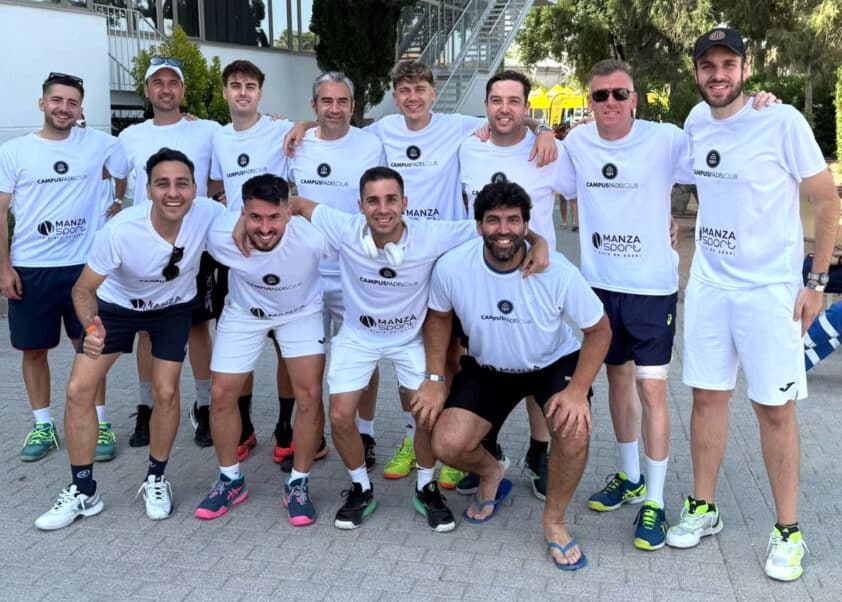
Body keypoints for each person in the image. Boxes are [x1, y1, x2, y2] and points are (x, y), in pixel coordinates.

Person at [283, 61, 558, 487]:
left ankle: (457, 442)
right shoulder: (382, 131)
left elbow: (506, 117)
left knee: (450, 358)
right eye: (405, 90)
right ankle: (414, 439)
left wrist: (543, 128)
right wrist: (302, 125)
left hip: (444, 253)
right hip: (399, 257)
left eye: (421, 89)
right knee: (408, 354)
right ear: (395, 97)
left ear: (433, 93)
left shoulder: (457, 126)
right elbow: (336, 128)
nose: (413, 98)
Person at [666, 27, 840, 583]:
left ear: (745, 68)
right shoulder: (696, 120)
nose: (717, 74)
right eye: (708, 65)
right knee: (707, 398)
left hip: (770, 292)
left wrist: (817, 282)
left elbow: (826, 201)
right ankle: (704, 507)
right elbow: (683, 180)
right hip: (710, 285)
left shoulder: (781, 120)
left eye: (728, 64)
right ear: (697, 72)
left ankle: (788, 531)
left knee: (774, 409)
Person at [285, 166, 549, 531]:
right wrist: (241, 221)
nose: (383, 209)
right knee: (341, 417)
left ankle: (426, 488)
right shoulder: (344, 227)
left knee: (426, 414)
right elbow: (297, 204)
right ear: (360, 205)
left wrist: (539, 241)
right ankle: (361, 488)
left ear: (405, 202)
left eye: (391, 199)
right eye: (373, 201)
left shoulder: (431, 235)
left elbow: (491, 228)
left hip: (410, 338)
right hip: (358, 337)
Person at [416, 180, 610, 569]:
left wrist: (579, 391)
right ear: (479, 225)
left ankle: (554, 522)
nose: (503, 229)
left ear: (526, 225)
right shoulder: (454, 266)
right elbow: (437, 318)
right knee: (447, 443)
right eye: (493, 220)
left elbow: (600, 330)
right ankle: (492, 472)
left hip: (551, 364)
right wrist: (434, 379)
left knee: (575, 431)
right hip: (489, 368)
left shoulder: (556, 270)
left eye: (512, 220)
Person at [34, 148, 224, 530]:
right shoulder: (120, 230)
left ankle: (156, 479)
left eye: (182, 183)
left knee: (166, 392)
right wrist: (91, 329)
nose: (173, 192)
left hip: (172, 308)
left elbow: (256, 222)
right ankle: (83, 490)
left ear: (195, 188)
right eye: (163, 184)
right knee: (78, 390)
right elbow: (83, 289)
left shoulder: (210, 213)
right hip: (117, 308)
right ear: (148, 190)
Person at [559, 59, 693, 551]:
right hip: (600, 286)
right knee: (617, 380)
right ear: (589, 101)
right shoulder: (576, 143)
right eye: (601, 95)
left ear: (635, 98)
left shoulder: (666, 139)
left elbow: (720, 150)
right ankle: (631, 477)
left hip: (652, 289)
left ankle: (655, 501)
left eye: (620, 93)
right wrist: (534, 128)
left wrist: (760, 106)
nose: (610, 102)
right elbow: (537, 163)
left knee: (652, 389)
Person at [458, 70, 578, 500]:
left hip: (535, 278)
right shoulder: (469, 147)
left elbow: (583, 194)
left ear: (526, 108)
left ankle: (539, 452)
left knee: (536, 364)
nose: (504, 109)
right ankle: (487, 449)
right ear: (486, 106)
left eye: (513, 101)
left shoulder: (549, 151)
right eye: (496, 100)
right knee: (484, 363)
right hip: (482, 279)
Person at [0, 72, 123, 463]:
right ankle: (43, 425)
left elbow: (139, 155)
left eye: (72, 102)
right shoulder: (14, 151)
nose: (63, 108)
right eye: (57, 100)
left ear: (81, 109)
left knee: (90, 347)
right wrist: (4, 267)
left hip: (83, 271)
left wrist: (118, 201)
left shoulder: (99, 143)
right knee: (33, 350)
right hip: (31, 268)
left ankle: (100, 423)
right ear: (42, 103)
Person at [196, 174, 327, 525]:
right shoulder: (220, 234)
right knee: (221, 393)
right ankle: (230, 480)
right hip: (244, 313)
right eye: (255, 217)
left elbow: (361, 241)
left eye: (274, 217)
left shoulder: (313, 238)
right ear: (242, 213)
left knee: (310, 394)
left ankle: (298, 484)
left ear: (288, 213)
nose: (265, 228)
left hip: (301, 313)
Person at [108, 57, 223, 450]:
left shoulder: (208, 130)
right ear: (147, 90)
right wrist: (115, 207)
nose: (166, 89)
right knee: (147, 331)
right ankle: (147, 407)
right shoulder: (130, 136)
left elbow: (220, 177)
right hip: (146, 247)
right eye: (157, 82)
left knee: (197, 328)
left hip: (196, 246)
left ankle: (204, 406)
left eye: (173, 82)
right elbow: (116, 178)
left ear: (183, 90)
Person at [210, 59, 317, 467]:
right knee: (241, 344)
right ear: (225, 92)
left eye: (250, 86)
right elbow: (216, 185)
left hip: (280, 246)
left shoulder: (278, 128)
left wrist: (302, 123)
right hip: (239, 252)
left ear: (260, 92)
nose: (242, 92)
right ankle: (244, 425)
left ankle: (285, 427)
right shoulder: (218, 137)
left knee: (286, 348)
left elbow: (319, 125)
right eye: (235, 85)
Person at [283, 72, 384, 473]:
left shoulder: (371, 144)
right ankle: (314, 434)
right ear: (314, 106)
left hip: (354, 271)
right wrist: (300, 126)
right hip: (305, 272)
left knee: (364, 356)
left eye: (343, 101)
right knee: (306, 358)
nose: (335, 109)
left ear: (353, 106)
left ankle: (366, 432)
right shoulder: (296, 143)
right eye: (327, 101)